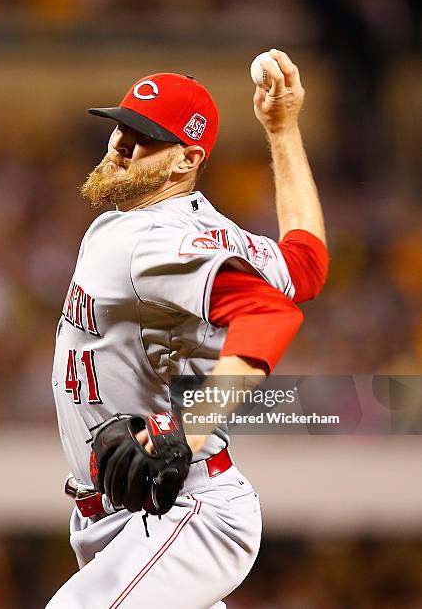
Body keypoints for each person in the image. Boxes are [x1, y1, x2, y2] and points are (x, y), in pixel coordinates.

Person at [47, 49, 328, 608]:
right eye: (120, 127)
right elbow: (306, 264)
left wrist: (187, 428)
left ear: (185, 160)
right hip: (129, 513)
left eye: (144, 137)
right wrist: (283, 128)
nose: (120, 147)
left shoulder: (149, 238)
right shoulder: (200, 231)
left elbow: (272, 314)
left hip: (184, 508)